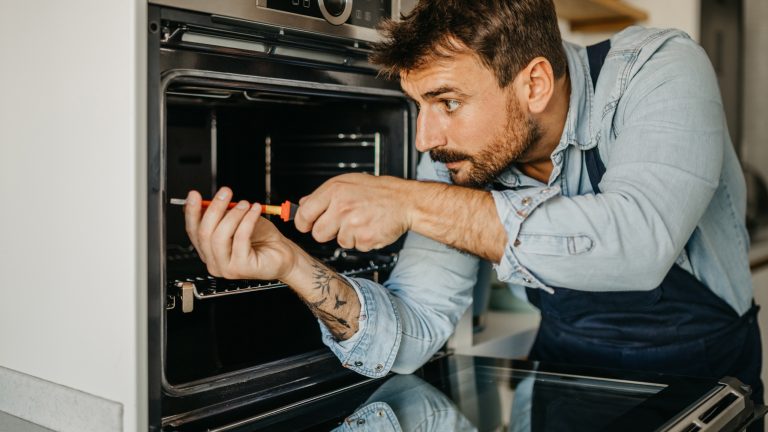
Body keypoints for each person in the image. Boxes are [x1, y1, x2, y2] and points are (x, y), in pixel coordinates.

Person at [183, 0, 762, 402]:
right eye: (418, 106)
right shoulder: (457, 159)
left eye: (448, 102)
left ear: (533, 84)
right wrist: (292, 265)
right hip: (566, 368)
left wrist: (410, 204)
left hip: (704, 373)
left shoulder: (657, 70)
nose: (425, 140)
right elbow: (411, 334)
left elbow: (638, 243)